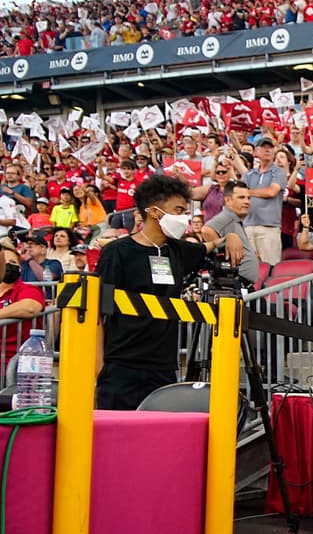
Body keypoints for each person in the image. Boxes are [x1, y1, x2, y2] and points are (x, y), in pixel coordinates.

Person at [94, 174, 222, 410]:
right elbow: (98, 314)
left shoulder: (177, 250)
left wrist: (231, 238)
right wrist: (99, 366)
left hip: (163, 369)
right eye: (179, 210)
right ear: (154, 212)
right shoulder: (117, 253)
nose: (185, 217)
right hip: (121, 366)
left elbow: (209, 246)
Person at [0, 239, 45, 393]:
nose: (8, 265)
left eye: (13, 262)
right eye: (3, 261)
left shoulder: (25, 289)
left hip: (7, 371)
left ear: (19, 268)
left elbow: (30, 307)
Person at [201, 181, 259, 288]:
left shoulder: (234, 218)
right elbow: (206, 230)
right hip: (233, 284)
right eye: (241, 197)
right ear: (228, 200)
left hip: (241, 284)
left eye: (248, 198)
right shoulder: (227, 217)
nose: (247, 202)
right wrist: (223, 251)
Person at [242, 137, 287, 266]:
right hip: (248, 225)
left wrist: (249, 192)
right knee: (249, 268)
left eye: (270, 147)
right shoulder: (249, 174)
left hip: (269, 227)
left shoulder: (279, 172)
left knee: (270, 266)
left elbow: (271, 192)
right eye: (264, 147)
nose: (267, 150)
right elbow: (239, 193)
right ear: (256, 151)